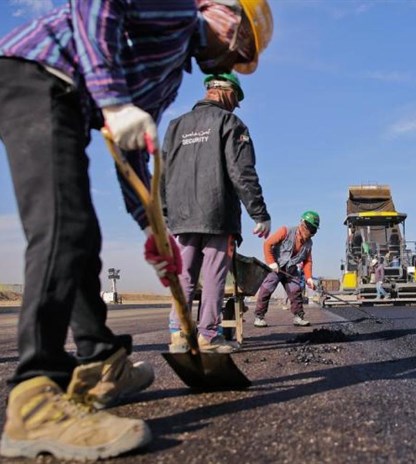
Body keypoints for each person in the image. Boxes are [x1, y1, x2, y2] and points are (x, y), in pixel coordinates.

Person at [0, 0, 273, 460]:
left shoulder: (168, 74)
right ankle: (35, 398)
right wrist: (111, 98)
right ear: (221, 11)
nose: (232, 58)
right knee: (64, 229)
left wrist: (152, 226)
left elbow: (133, 151)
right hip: (35, 74)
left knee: (82, 238)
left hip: (68, 98)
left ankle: (101, 361)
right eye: (239, 42)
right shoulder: (174, 9)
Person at [162, 72, 271, 354]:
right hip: (217, 213)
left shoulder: (175, 126)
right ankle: (208, 336)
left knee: (184, 274)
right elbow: (242, 172)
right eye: (236, 99)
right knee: (213, 276)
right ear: (226, 91)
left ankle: (179, 334)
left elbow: (163, 173)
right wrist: (259, 213)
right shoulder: (229, 123)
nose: (235, 106)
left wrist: (165, 212)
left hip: (182, 216)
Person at [254, 211, 319, 327]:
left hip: (291, 270)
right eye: (309, 229)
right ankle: (259, 317)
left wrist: (309, 278)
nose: (310, 233)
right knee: (266, 289)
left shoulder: (309, 243)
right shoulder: (285, 231)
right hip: (276, 267)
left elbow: (307, 261)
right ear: (302, 224)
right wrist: (271, 263)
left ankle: (298, 317)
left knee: (296, 291)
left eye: (313, 230)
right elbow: (267, 244)